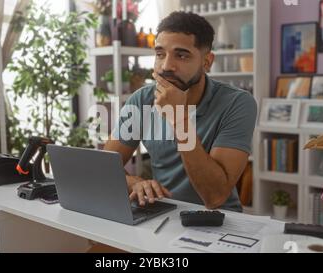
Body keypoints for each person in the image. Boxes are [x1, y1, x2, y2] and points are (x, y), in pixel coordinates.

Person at [104, 12, 257, 212]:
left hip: (218, 221)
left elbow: (215, 197)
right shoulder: (142, 100)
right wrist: (134, 183)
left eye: (182, 55)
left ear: (207, 62)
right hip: (162, 214)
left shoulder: (237, 103)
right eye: (160, 54)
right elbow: (104, 168)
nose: (167, 66)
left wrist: (178, 117)